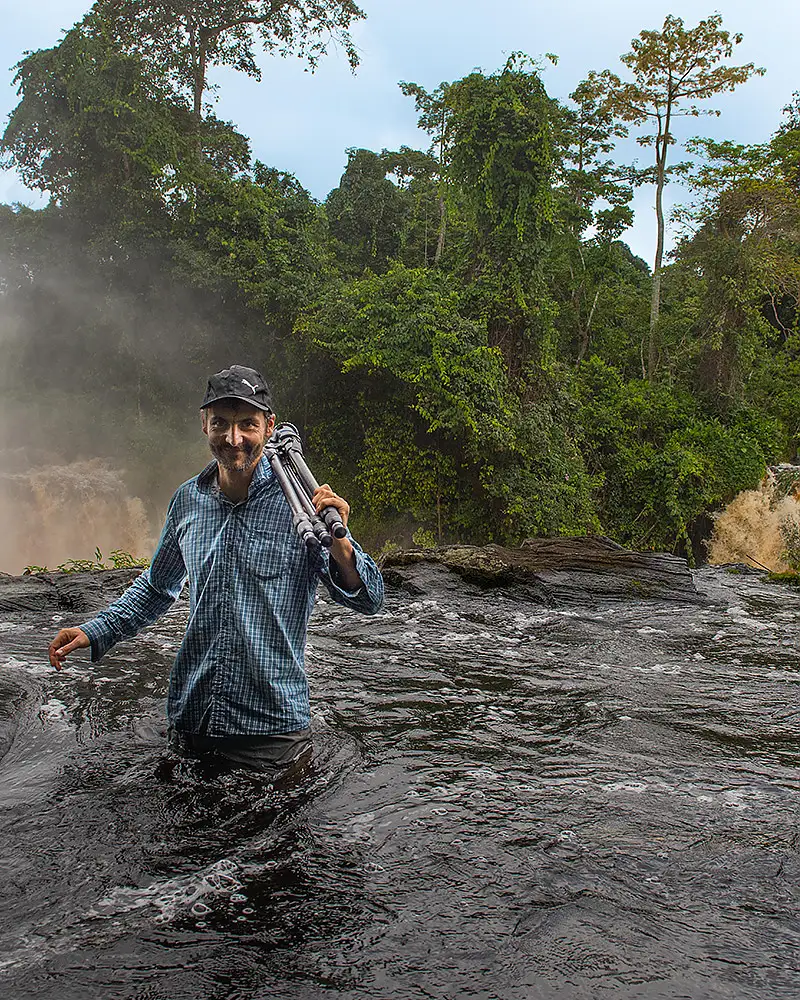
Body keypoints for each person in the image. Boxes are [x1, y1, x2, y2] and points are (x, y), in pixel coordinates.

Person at [48, 364, 384, 773]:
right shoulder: (187, 500)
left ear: (268, 426)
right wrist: (93, 631)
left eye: (247, 424)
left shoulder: (300, 507)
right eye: (221, 423)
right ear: (204, 424)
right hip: (192, 720)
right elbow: (157, 587)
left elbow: (370, 599)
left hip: (271, 734)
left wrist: (343, 542)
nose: (234, 438)